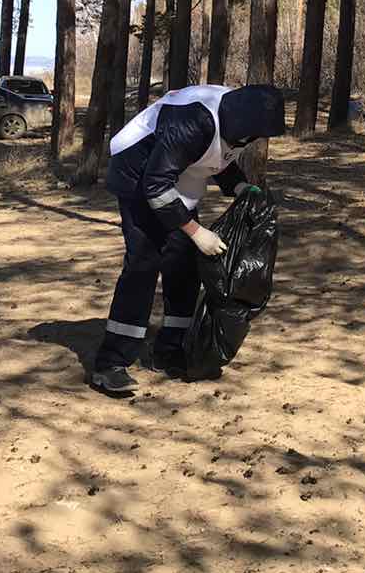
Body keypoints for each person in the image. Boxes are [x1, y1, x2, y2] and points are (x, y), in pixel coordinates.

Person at [89, 83, 286, 394]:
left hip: (174, 181)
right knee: (143, 264)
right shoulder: (194, 121)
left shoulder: (237, 118)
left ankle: (169, 350)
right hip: (138, 176)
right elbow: (155, 185)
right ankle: (111, 363)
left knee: (183, 267)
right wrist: (196, 232)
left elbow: (216, 157)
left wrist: (238, 187)